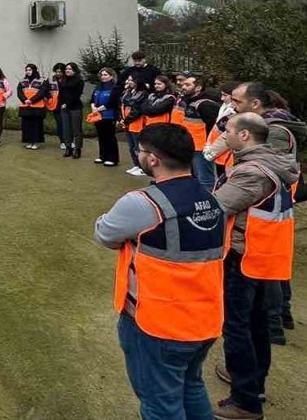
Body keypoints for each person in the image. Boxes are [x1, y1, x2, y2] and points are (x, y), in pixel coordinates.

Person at [93, 124, 226, 420]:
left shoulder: (141, 203)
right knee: (191, 386)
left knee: (159, 404)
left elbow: (104, 233)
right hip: (204, 318)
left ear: (152, 159)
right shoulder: (213, 200)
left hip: (157, 324)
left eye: (140, 151)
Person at [210, 113, 299, 420]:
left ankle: (245, 400)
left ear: (245, 135)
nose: (225, 136)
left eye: (229, 131)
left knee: (236, 326)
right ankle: (254, 381)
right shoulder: (274, 163)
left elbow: (217, 206)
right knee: (257, 323)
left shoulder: (252, 173)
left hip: (243, 257)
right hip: (264, 256)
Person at [229, 83, 307, 345]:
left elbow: (264, 169)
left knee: (268, 271)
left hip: (267, 210)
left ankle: (274, 322)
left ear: (255, 104)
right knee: (272, 269)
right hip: (269, 207)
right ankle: (279, 317)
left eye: (237, 102)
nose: (233, 106)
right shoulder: (269, 127)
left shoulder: (275, 132)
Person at [179, 74, 221, 191]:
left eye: (187, 85)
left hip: (201, 148)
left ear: (198, 88)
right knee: (197, 176)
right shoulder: (191, 102)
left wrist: (209, 146)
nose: (183, 87)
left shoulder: (205, 105)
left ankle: (208, 201)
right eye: (183, 84)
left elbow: (214, 128)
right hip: (193, 145)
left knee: (205, 178)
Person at [203, 83, 240, 182]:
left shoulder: (233, 114)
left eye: (225, 95)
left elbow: (225, 135)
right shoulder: (225, 108)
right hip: (218, 153)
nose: (222, 98)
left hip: (226, 155)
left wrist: (211, 151)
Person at [89, 68, 120, 166]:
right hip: (97, 116)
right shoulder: (98, 87)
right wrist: (93, 107)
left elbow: (112, 102)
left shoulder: (115, 88)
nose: (103, 77)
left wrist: (99, 109)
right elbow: (92, 99)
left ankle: (112, 158)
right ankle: (102, 156)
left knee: (109, 137)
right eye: (102, 75)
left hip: (109, 115)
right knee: (101, 136)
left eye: (106, 75)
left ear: (111, 76)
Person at [119, 76, 148, 175]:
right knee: (131, 146)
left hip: (136, 123)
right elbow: (123, 102)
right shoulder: (128, 92)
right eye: (129, 80)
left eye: (132, 80)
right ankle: (136, 165)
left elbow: (136, 109)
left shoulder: (142, 93)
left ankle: (142, 167)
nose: (129, 82)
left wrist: (126, 120)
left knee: (137, 146)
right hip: (127, 123)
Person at [57, 62, 85, 159]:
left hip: (75, 107)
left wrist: (66, 104)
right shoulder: (63, 80)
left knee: (76, 129)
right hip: (64, 108)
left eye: (70, 69)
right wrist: (61, 104)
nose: (68, 71)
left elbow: (76, 95)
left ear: (75, 70)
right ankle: (68, 147)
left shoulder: (79, 81)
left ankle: (77, 149)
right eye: (67, 69)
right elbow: (60, 94)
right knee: (66, 129)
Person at [16, 64, 48, 150]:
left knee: (36, 125)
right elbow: (19, 92)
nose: (28, 72)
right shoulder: (22, 81)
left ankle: (36, 142)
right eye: (27, 70)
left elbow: (42, 92)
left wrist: (32, 100)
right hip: (26, 106)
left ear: (34, 70)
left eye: (30, 70)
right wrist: (25, 100)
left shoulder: (41, 80)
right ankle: (29, 141)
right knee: (26, 125)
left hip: (37, 107)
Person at [49, 62, 66, 145]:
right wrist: (49, 99)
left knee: (67, 123)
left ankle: (69, 140)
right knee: (59, 123)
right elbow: (45, 90)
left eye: (60, 72)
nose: (58, 73)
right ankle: (62, 141)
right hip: (55, 105)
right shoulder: (51, 80)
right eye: (57, 72)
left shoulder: (67, 80)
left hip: (66, 105)